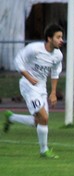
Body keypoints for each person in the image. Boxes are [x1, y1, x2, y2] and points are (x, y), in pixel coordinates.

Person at [3, 23, 64, 159]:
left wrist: (53, 92)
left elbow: (55, 73)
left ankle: (11, 117)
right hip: (28, 86)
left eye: (62, 37)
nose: (61, 40)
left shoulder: (58, 55)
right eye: (58, 37)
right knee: (44, 117)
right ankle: (44, 151)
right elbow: (18, 61)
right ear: (49, 38)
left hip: (41, 88)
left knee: (40, 121)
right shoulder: (34, 49)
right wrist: (29, 77)